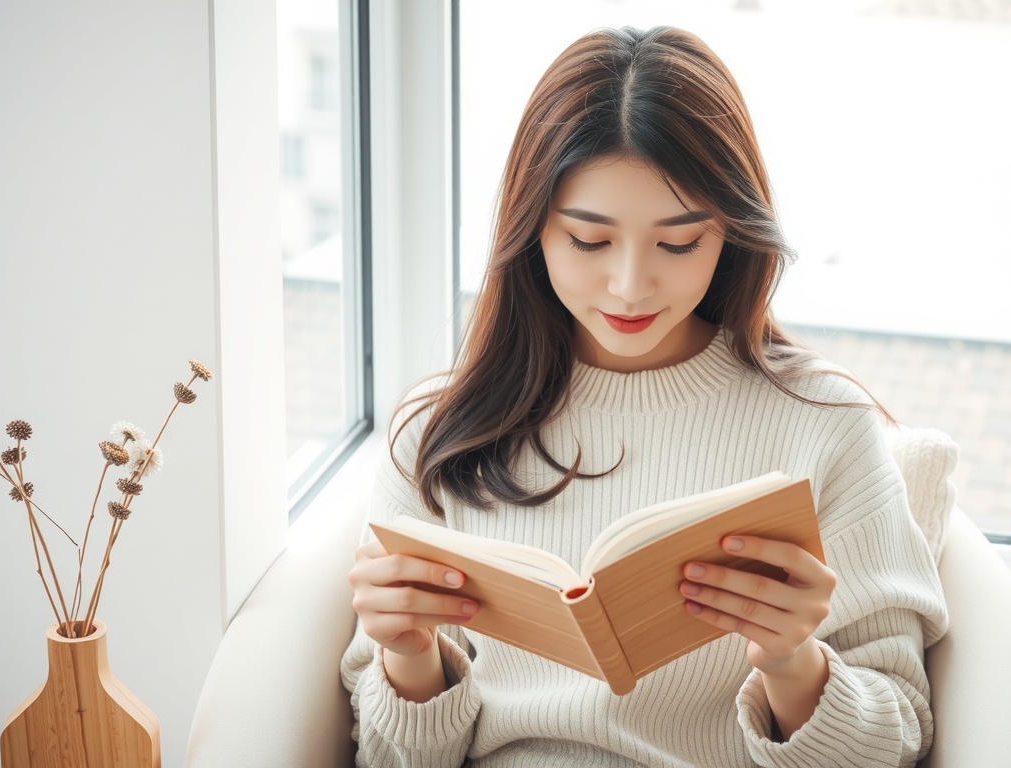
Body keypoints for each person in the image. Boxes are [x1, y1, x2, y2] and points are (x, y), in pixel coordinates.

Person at [343, 25, 947, 767]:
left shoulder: (821, 427)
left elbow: (896, 739)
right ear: (531, 231)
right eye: (589, 242)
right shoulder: (439, 434)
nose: (630, 285)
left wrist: (793, 664)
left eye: (679, 243)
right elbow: (385, 758)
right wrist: (409, 659)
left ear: (731, 232)